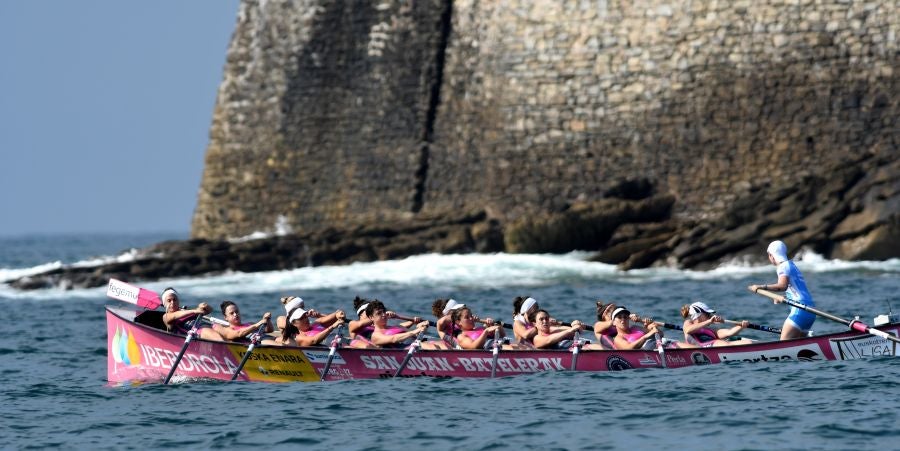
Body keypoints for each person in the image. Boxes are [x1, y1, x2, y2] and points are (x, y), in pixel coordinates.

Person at [748, 240, 816, 340]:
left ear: (771, 255)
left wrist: (761, 286)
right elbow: (795, 288)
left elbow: (782, 286)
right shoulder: (792, 265)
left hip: (799, 310)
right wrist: (784, 297)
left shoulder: (782, 267)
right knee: (799, 345)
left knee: (784, 344)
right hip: (811, 310)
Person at [366, 300, 442, 349]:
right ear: (371, 317)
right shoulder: (375, 335)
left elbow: (407, 324)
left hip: (419, 341)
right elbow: (394, 338)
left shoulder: (394, 327)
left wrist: (398, 317)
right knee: (432, 346)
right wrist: (416, 331)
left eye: (384, 312)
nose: (383, 315)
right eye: (379, 313)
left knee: (444, 344)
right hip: (409, 348)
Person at [611, 307, 694, 350]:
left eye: (625, 317)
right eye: (619, 317)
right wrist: (646, 336)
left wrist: (646, 324)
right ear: (614, 322)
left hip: (662, 344)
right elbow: (629, 348)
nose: (623, 320)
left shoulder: (635, 328)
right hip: (648, 353)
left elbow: (660, 334)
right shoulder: (618, 339)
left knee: (682, 345)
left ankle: (702, 350)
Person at [159, 287, 224, 341]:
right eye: (169, 300)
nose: (172, 302)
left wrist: (205, 306)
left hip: (206, 325)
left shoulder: (185, 311)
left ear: (178, 301)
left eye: (174, 299)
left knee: (222, 329)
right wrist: (195, 311)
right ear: (164, 304)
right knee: (216, 336)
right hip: (196, 332)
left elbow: (208, 311)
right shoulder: (166, 316)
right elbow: (174, 315)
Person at [680, 302, 754, 347]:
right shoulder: (688, 322)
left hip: (717, 345)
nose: (710, 316)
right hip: (701, 348)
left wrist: (741, 326)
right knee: (720, 343)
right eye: (707, 314)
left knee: (748, 342)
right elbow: (687, 330)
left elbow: (729, 333)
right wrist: (709, 321)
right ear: (699, 315)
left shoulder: (710, 330)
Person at [531, 309, 604, 350]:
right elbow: (548, 340)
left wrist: (577, 326)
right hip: (579, 349)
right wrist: (570, 330)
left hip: (582, 345)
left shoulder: (555, 330)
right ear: (535, 324)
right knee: (590, 347)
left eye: (546, 319)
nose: (545, 321)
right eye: (541, 319)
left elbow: (575, 331)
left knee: (603, 344)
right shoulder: (537, 338)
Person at [276, 305, 346, 346]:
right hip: (335, 347)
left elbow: (334, 316)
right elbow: (314, 340)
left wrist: (339, 313)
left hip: (342, 341)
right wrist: (333, 327)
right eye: (301, 318)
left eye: (305, 316)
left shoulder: (316, 322)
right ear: (293, 324)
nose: (306, 319)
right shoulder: (299, 337)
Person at [275, 296, 345, 330]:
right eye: (301, 307)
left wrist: (319, 315)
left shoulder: (312, 322)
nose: (303, 310)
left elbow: (336, 320)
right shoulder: (282, 320)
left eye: (303, 307)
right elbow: (291, 325)